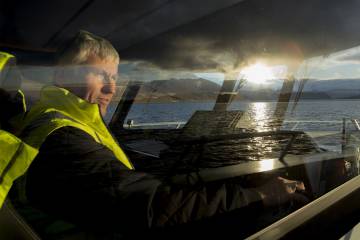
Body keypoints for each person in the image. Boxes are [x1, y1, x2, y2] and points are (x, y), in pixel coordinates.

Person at [16, 31, 306, 236]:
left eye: (114, 77)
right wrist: (260, 196)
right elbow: (151, 209)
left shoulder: (67, 122)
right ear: (65, 76)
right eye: (99, 75)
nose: (111, 88)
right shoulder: (61, 137)